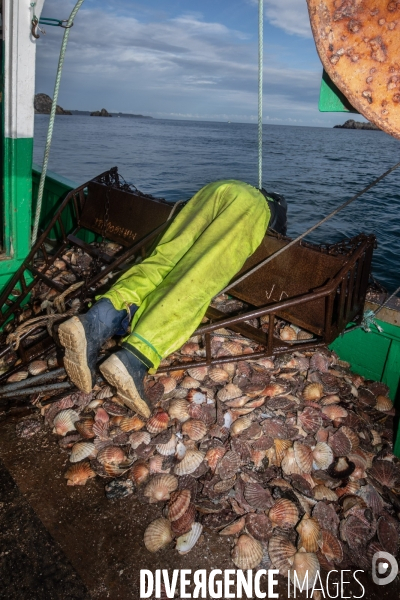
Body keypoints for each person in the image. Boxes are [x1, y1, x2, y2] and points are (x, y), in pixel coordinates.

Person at [58, 179, 287, 418]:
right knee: (198, 278)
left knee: (162, 261)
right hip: (250, 206)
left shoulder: (248, 189)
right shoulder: (273, 210)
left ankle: (95, 322)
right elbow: (276, 238)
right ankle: (134, 358)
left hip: (214, 189)